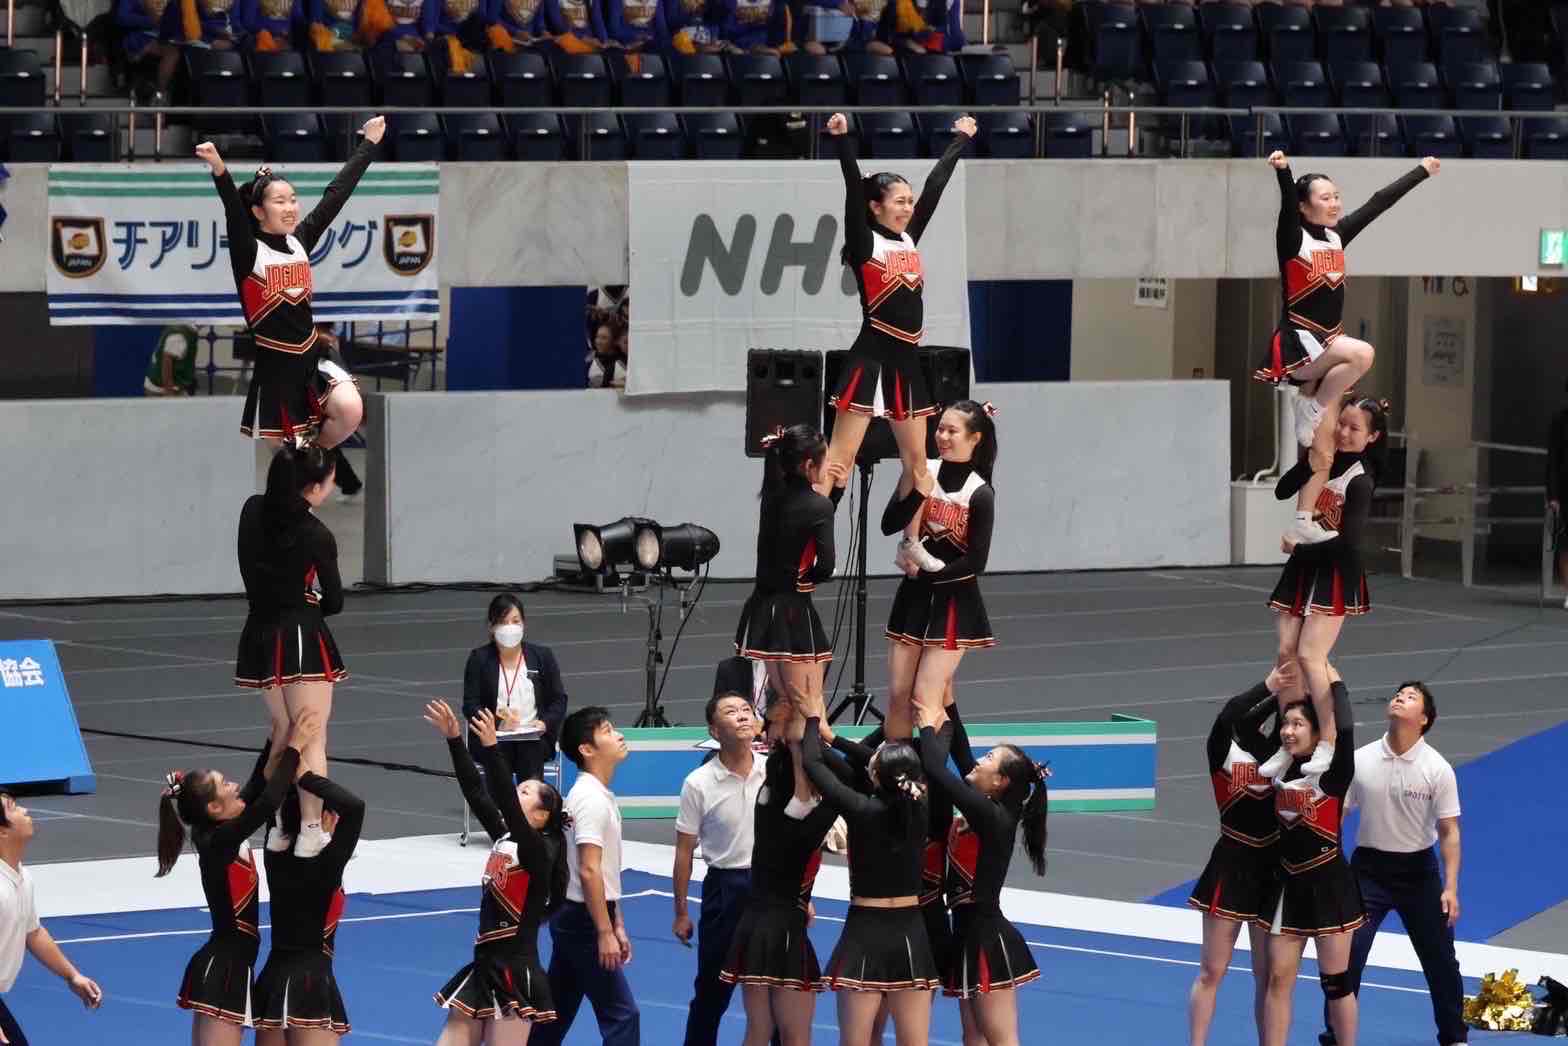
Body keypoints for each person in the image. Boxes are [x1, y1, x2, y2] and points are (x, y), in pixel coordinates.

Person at [1254, 151, 1437, 549]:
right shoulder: (1293, 239)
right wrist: (1284, 171)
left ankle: (1301, 522)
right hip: (1302, 347)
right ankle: (1312, 406)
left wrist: (1421, 172)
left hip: (1327, 354)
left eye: (1336, 196)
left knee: (1322, 455)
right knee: (1363, 354)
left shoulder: (1337, 236)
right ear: (1304, 207)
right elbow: (1286, 204)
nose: (1335, 203)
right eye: (1325, 198)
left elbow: (1379, 203)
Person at [824, 110, 975, 581]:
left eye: (909, 201)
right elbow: (851, 189)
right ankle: (816, 541)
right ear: (875, 207)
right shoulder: (864, 242)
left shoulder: (909, 237)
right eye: (899, 201)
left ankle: (909, 543)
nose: (908, 208)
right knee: (839, 460)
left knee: (919, 464)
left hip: (906, 365)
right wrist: (843, 141)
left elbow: (935, 187)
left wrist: (959, 141)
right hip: (871, 358)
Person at [195, 116, 383, 448]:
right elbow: (232, 210)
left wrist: (369, 144)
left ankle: (318, 454)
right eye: (279, 201)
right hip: (278, 371)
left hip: (312, 356)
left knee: (351, 410)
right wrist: (219, 169)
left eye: (293, 199)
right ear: (259, 211)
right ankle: (305, 465)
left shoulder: (300, 241)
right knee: (293, 463)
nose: (290, 208)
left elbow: (336, 195)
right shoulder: (250, 253)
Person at [1317, 682, 1464, 1046]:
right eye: (1399, 693)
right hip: (1368, 872)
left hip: (1419, 874)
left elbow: (1449, 831)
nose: (1400, 697)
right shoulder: (1362, 759)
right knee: (1346, 957)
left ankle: (1454, 1037)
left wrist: (1450, 887)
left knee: (1441, 961)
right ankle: (1335, 1035)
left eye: (1411, 697)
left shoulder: (1438, 769)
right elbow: (1336, 816)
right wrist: (1330, 866)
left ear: (1424, 719)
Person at [155, 714, 315, 1046]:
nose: (235, 785)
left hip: (230, 965)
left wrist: (276, 734)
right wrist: (295, 748)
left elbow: (257, 783)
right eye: (225, 784)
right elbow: (268, 801)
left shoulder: (219, 832)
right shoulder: (219, 841)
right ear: (215, 807)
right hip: (225, 970)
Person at [798, 692, 940, 1046]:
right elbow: (878, 766)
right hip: (911, 931)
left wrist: (813, 721)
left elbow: (814, 763)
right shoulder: (920, 807)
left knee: (856, 1041)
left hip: (866, 931)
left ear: (875, 775)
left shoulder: (861, 809)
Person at [425, 701, 568, 1044]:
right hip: (483, 963)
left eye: (526, 792)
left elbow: (504, 799)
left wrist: (492, 749)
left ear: (541, 816)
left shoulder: (539, 852)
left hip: (515, 971)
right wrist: (455, 740)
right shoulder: (506, 836)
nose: (517, 792)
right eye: (519, 788)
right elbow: (476, 791)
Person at [1263, 397, 1387, 777]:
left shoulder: (1360, 480)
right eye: (1342, 424)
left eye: (1355, 428)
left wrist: (1299, 549)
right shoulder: (1326, 458)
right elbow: (1282, 490)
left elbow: (1348, 544)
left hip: (1333, 571)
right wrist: (1309, 464)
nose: (1344, 433)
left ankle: (1329, 741)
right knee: (1285, 653)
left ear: (1372, 437)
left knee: (1310, 656)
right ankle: (1290, 740)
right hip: (1303, 567)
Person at [913, 701, 1048, 1046]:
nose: (978, 761)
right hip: (966, 935)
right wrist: (948, 702)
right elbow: (962, 753)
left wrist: (928, 725)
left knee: (1001, 1039)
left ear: (1000, 781)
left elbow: (936, 768)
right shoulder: (989, 808)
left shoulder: (992, 817)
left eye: (988, 758)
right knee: (972, 1036)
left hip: (987, 938)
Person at [235, 445, 347, 857]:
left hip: (260, 631)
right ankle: (311, 829)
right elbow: (335, 600)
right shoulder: (316, 533)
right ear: (314, 487)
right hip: (300, 636)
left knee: (282, 731)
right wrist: (308, 601)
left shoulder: (252, 510)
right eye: (330, 482)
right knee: (311, 734)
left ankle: (281, 823)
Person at [721, 694, 851, 1046]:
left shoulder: (766, 798)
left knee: (758, 1031)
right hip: (784, 932)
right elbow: (849, 783)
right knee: (796, 1037)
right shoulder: (807, 818)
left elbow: (796, 776)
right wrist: (816, 733)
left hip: (755, 925)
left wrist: (798, 741)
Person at [1187, 664, 1298, 1046]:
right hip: (1231, 864)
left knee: (1266, 977)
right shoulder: (1222, 750)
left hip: (1271, 870)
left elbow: (1291, 724)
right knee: (1211, 970)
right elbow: (1230, 715)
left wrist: (1291, 696)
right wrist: (1271, 686)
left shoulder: (1283, 757)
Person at [880, 400, 998, 742]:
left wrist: (927, 573)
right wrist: (917, 492)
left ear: (975, 438)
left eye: (952, 431)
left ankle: (933, 773)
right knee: (898, 698)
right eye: (940, 429)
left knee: (925, 701)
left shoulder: (980, 493)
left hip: (953, 602)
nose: (942, 436)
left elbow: (976, 562)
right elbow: (889, 524)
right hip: (913, 598)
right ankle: (900, 771)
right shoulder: (923, 470)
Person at [1258, 675, 1362, 1046]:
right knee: (1277, 979)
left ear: (1317, 733)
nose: (1288, 731)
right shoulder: (1277, 768)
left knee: (1336, 984)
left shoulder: (1334, 773)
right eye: (1285, 724)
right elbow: (1241, 723)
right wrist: (1273, 685)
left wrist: (1335, 685)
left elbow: (1345, 730)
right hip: (1289, 887)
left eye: (1298, 724)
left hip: (1330, 886)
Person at [531, 707, 638, 1046]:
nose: (619, 735)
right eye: (607, 731)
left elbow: (603, 870)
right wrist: (604, 932)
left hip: (577, 915)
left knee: (556, 1012)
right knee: (622, 1016)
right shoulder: (591, 800)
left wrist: (616, 920)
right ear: (587, 749)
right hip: (583, 921)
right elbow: (589, 868)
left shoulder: (594, 794)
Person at [673, 688, 765, 1046]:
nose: (742, 715)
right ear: (714, 730)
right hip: (725, 890)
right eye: (730, 711)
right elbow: (684, 852)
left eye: (746, 709)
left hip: (771, 889)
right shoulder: (698, 783)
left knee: (772, 991)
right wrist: (681, 912)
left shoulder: (773, 770)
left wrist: (800, 896)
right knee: (713, 991)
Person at [734, 424, 845, 715]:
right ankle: (811, 744)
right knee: (808, 708)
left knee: (784, 701)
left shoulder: (772, 495)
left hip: (762, 606)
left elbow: (802, 522)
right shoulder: (818, 506)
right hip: (794, 611)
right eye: (824, 460)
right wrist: (806, 580)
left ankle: (780, 741)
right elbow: (826, 566)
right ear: (809, 465)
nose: (827, 467)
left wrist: (836, 494)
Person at [252, 769, 366, 1042]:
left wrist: (290, 771)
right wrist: (305, 776)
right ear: (326, 817)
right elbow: (355, 807)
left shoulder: (273, 856)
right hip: (310, 982)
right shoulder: (327, 865)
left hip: (273, 979)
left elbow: (272, 806)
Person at [0, 793, 103, 1046]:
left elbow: (33, 932)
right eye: (13, 808)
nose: (25, 810)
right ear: (2, 831)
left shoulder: (21, 876)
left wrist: (72, 975)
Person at [461, 593, 570, 786]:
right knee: (497, 754)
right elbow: (470, 705)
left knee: (530, 750)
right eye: (503, 622)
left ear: (523, 625)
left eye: (515, 621)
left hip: (534, 737)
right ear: (492, 627)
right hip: (493, 737)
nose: (510, 627)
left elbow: (559, 700)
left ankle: (530, 801)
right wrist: (497, 723)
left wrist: (544, 723)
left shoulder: (542, 656)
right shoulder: (479, 659)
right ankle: (501, 804)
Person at [1548, 379, 1568, 609]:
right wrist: (1553, 496)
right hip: (1565, 491)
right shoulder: (1560, 421)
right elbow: (1553, 460)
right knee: (1565, 544)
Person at [143, 324, 200, 397]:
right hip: (161, 389)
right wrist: (169, 392)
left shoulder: (183, 329)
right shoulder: (181, 335)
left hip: (163, 386)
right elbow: (166, 362)